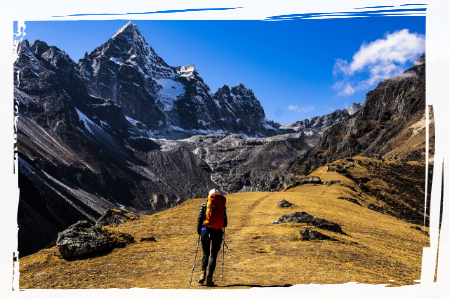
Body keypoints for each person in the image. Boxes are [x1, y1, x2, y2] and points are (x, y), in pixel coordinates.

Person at [197, 188, 227, 286]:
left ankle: (202, 274)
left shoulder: (204, 204)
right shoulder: (222, 205)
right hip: (217, 232)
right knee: (213, 254)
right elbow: (225, 222)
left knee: (206, 253)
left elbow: (200, 218)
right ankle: (209, 279)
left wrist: (199, 231)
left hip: (205, 230)